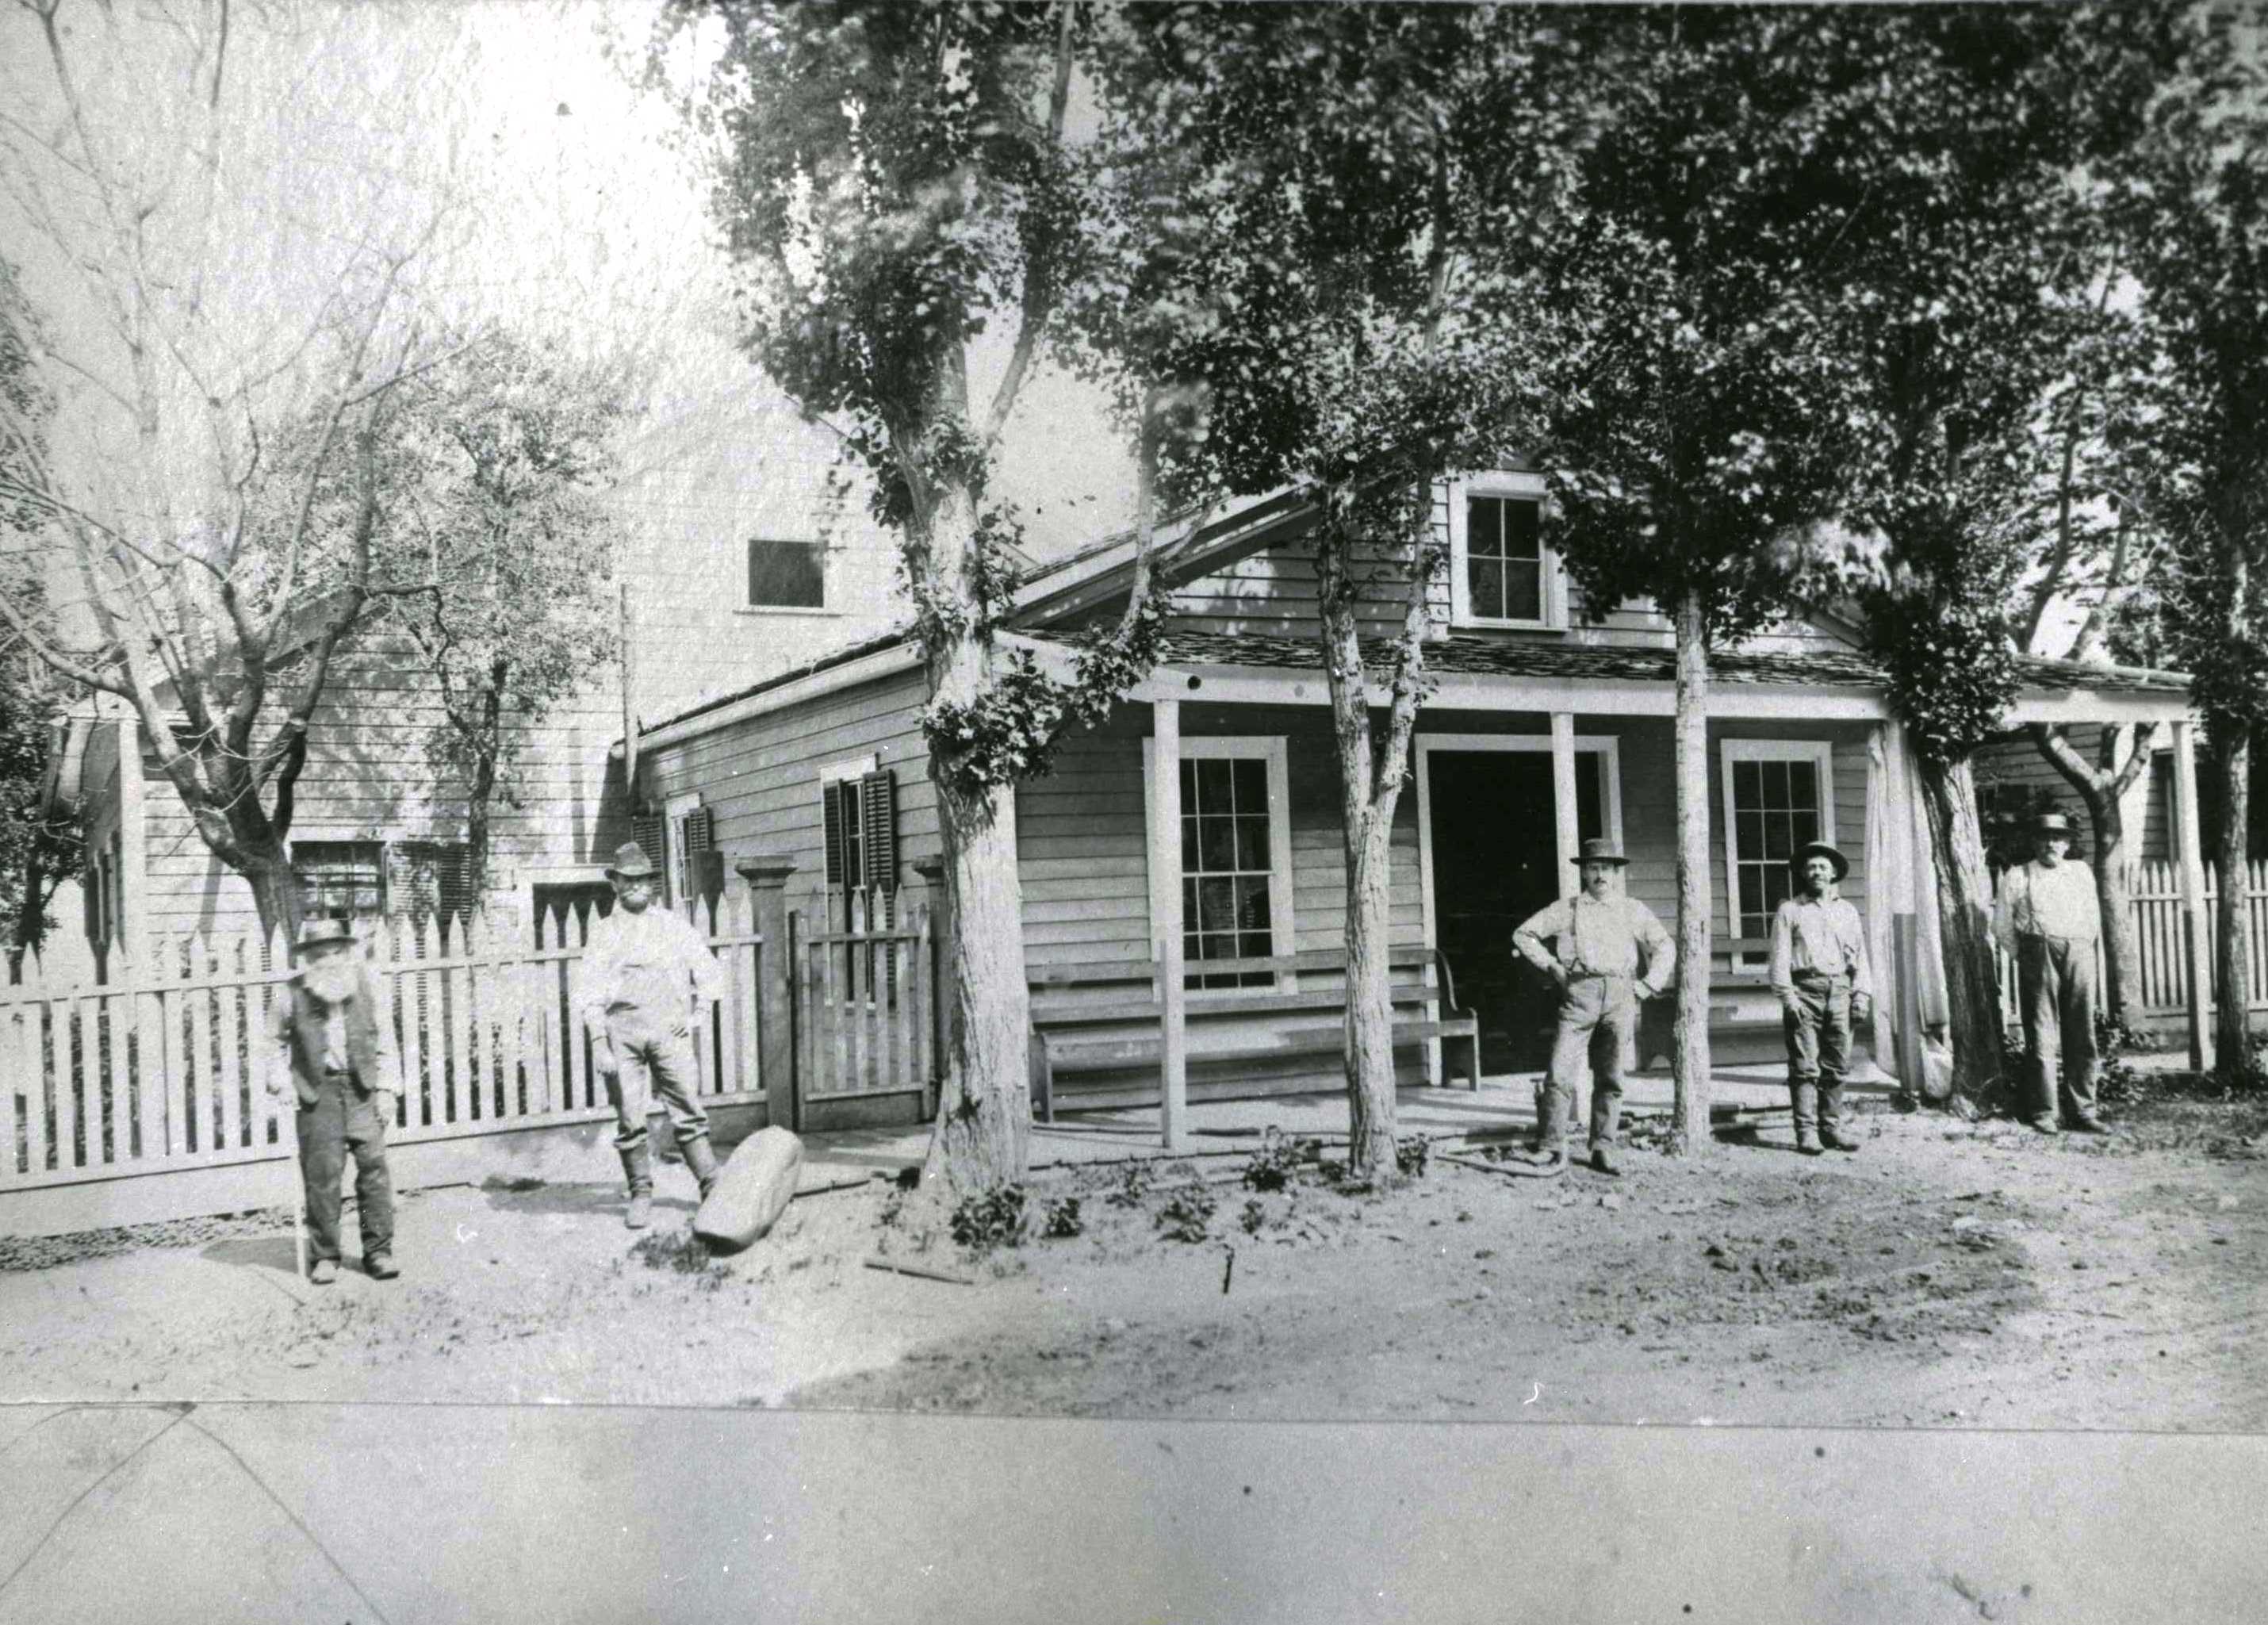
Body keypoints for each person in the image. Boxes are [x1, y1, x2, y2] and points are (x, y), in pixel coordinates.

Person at [580, 840, 726, 1228]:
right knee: (630, 1117)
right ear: (615, 884)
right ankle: (641, 1192)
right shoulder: (604, 932)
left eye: (642, 880)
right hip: (621, 1032)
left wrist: (696, 1015)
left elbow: (708, 971)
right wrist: (600, 1044)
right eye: (627, 881)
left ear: (652, 883)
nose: (635, 887)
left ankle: (712, 1186)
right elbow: (589, 992)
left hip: (668, 1029)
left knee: (688, 1110)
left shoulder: (673, 926)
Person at [1511, 837, 1674, 1175]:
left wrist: (1647, 986)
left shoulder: (1633, 909)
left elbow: (1664, 946)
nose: (1600, 874)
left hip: (1620, 994)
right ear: (1584, 873)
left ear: (1617, 874)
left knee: (1611, 1074)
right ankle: (1550, 1145)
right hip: (1580, 993)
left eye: (1607, 868)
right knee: (1560, 1070)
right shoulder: (1567, 908)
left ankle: (1603, 1147)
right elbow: (1524, 934)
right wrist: (1553, 967)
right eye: (1593, 868)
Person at [264, 917, 400, 1284]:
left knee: (374, 1171)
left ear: (347, 951)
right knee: (322, 1177)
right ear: (309, 958)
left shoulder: (369, 985)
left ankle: (379, 1252)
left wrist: (387, 1089)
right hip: (316, 1094)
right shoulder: (290, 994)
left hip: (362, 1091)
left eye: (336, 951)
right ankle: (325, 1256)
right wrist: (281, 1083)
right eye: (320, 954)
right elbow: (272, 1044)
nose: (329, 960)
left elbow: (386, 1039)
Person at [1994, 811, 2109, 1135]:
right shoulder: (2019, 875)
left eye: (2058, 838)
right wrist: (2027, 956)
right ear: (2034, 842)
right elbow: (2002, 926)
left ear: (2068, 843)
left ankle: (2084, 1110)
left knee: (2082, 1031)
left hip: (2079, 950)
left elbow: (2093, 916)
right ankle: (2045, 1111)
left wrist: (2082, 945)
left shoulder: (2081, 873)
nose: (2051, 844)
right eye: (2044, 838)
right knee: (2041, 1034)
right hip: (2038, 951)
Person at [1768, 841, 1873, 1156]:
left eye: (1823, 867)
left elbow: (1862, 957)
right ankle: (1806, 1132)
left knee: (1838, 1065)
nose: (1817, 872)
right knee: (1804, 1066)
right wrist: (1789, 998)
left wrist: (1862, 994)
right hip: (1804, 992)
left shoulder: (1847, 911)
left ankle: (1831, 1128)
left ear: (1834, 874)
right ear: (1803, 873)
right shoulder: (1790, 910)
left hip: (1840, 991)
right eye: (1811, 867)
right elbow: (1778, 959)